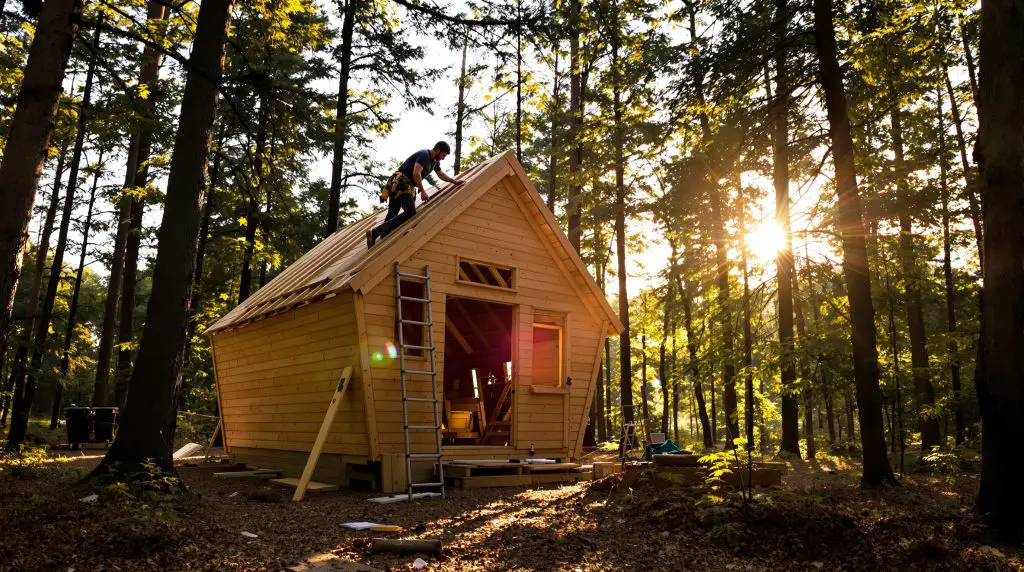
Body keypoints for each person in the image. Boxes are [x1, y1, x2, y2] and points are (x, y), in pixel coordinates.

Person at [366, 141, 464, 248]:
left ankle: (378, 237)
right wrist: (422, 190)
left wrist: (455, 182)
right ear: (438, 150)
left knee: (391, 217)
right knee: (410, 212)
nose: (443, 158)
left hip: (397, 185)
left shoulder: (435, 162)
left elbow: (441, 175)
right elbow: (416, 172)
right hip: (402, 184)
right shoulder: (424, 155)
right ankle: (375, 232)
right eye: (443, 155)